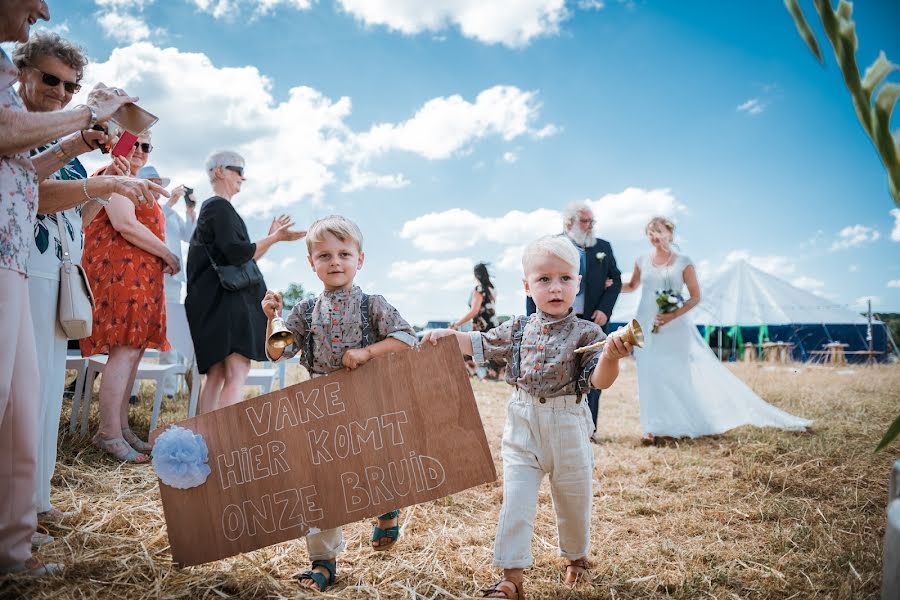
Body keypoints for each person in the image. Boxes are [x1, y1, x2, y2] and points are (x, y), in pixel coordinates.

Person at [0, 0, 163, 577]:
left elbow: (70, 198)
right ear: (21, 74)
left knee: (36, 400)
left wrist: (108, 169)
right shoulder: (18, 123)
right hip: (27, 266)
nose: (60, 93)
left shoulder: (52, 140)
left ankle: (31, 509)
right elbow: (35, 193)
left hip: (49, 268)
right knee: (23, 398)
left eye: (71, 86)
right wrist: (98, 160)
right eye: (50, 79)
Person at [423, 235, 633, 599]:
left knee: (573, 496)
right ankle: (511, 577)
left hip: (568, 422)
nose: (555, 287)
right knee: (516, 500)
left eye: (565, 279)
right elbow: (482, 344)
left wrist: (612, 357)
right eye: (544, 279)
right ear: (527, 285)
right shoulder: (517, 328)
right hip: (522, 422)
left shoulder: (589, 333)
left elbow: (599, 380)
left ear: (578, 283)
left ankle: (576, 559)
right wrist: (448, 335)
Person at [262, 215, 418, 592]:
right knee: (318, 482)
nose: (335, 262)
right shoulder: (303, 311)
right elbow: (277, 352)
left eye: (344, 254)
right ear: (311, 263)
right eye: (325, 255)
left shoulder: (372, 305)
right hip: (318, 403)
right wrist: (272, 319)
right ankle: (324, 560)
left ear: (359, 260)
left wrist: (367, 352)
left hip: (364, 397)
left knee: (371, 462)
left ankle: (386, 507)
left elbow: (407, 338)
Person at [620, 217, 811, 444]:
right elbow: (632, 286)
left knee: (676, 374)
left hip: (675, 327)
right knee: (649, 374)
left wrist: (672, 315)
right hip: (645, 324)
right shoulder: (641, 260)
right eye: (650, 233)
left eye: (658, 231)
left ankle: (685, 423)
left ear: (670, 233)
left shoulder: (684, 261)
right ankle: (651, 428)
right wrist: (607, 283)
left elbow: (695, 296)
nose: (654, 237)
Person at [79, 134, 181, 463]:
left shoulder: (133, 178)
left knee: (132, 352)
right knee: (123, 352)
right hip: (119, 277)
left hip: (137, 281)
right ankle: (108, 432)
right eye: (132, 143)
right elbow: (125, 223)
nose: (138, 151)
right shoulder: (114, 174)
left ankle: (120, 428)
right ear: (116, 143)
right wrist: (167, 253)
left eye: (146, 146)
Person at [185, 150, 304, 414]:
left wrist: (271, 237)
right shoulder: (218, 206)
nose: (243, 177)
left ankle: (205, 438)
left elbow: (240, 261)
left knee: (216, 374)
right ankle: (224, 443)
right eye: (238, 170)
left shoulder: (214, 209)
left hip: (214, 304)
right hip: (226, 306)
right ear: (219, 171)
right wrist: (275, 238)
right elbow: (240, 253)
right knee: (238, 370)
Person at [527, 202, 621, 441]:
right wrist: (535, 320)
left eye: (592, 222)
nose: (590, 226)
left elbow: (616, 281)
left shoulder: (603, 247)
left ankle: (589, 431)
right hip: (558, 321)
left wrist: (604, 310)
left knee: (594, 371)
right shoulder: (549, 246)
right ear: (569, 223)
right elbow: (535, 281)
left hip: (593, 320)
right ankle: (554, 431)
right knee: (559, 373)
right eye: (585, 221)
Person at [139, 165, 195, 397]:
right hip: (146, 278)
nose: (158, 187)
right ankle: (131, 390)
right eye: (152, 182)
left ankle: (169, 390)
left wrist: (191, 209)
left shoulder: (171, 214)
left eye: (159, 183)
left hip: (172, 281)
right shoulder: (142, 208)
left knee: (170, 332)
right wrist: (170, 203)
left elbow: (190, 236)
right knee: (139, 332)